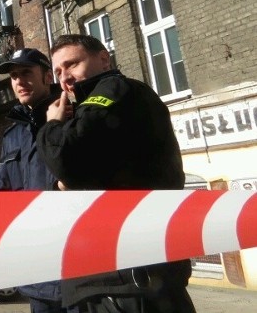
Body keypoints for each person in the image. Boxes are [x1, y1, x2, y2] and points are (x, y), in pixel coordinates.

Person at [37, 34, 195, 313]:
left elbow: (66, 157)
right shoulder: (91, 108)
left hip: (128, 280)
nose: (65, 77)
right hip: (118, 276)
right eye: (59, 71)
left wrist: (52, 125)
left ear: (103, 59)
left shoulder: (115, 89)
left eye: (72, 64)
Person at [0, 48, 68, 313]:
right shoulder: (13, 133)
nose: (19, 81)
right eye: (14, 76)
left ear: (48, 76)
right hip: (36, 271)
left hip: (75, 268)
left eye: (27, 73)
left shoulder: (71, 117)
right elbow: (2, 194)